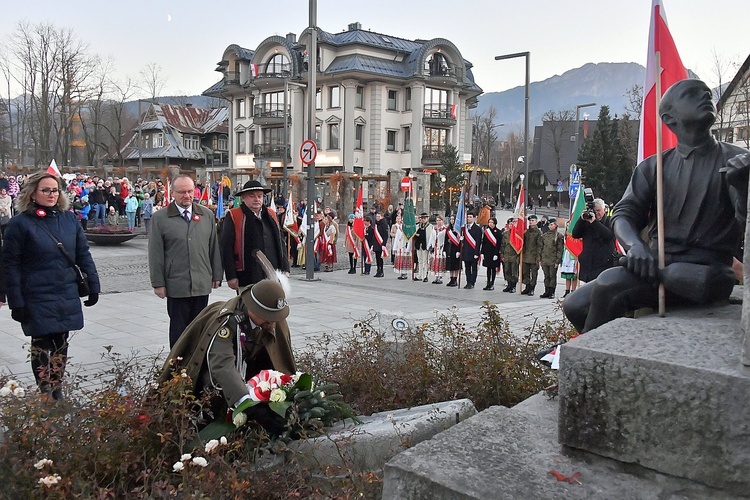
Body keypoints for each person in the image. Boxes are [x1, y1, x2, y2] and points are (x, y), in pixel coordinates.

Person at [564, 78, 749, 333]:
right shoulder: (654, 167)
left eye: (707, 93)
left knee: (609, 284)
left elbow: (746, 224)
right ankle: (614, 349)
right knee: (574, 305)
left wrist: (742, 187)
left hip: (707, 269)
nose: (706, 96)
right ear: (669, 118)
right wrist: (636, 246)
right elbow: (625, 214)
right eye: (692, 94)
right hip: (655, 263)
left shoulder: (736, 161)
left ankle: (586, 358)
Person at [4, 171, 100, 400]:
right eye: (45, 190)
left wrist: (93, 284)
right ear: (32, 194)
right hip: (35, 294)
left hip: (64, 291)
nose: (51, 194)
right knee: (41, 343)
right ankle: (45, 391)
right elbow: (10, 264)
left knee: (61, 343)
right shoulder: (20, 224)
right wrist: (15, 301)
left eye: (55, 190)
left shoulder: (68, 219)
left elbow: (82, 254)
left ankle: (57, 388)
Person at [157, 278, 295, 432]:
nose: (272, 322)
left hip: (248, 367)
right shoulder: (227, 322)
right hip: (210, 381)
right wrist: (247, 405)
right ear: (252, 309)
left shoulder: (271, 319)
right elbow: (222, 365)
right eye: (267, 316)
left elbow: (279, 353)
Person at [149, 175, 223, 347]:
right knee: (179, 332)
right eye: (182, 192)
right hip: (177, 285)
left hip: (201, 283)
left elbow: (214, 247)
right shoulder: (160, 218)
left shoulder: (206, 215)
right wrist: (158, 283)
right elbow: (155, 253)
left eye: (190, 191)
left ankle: (197, 368)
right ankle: (177, 369)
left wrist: (216, 274)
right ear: (173, 192)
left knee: (201, 329)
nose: (187, 195)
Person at [220, 180, 289, 289]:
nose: (257, 199)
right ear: (243, 197)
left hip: (273, 272)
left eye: (259, 196)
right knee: (248, 305)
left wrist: (285, 268)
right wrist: (231, 276)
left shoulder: (271, 214)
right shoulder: (234, 215)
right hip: (247, 274)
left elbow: (281, 242)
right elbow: (226, 247)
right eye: (252, 196)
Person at [571, 197, 615, 282]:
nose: (597, 213)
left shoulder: (610, 221)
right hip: (588, 264)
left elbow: (609, 235)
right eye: (595, 211)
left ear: (604, 209)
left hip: (604, 263)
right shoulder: (586, 222)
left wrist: (594, 222)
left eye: (598, 210)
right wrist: (581, 219)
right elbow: (575, 234)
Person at [539, 217, 565, 299]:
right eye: (549, 225)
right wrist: (540, 258)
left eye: (551, 224)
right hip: (545, 259)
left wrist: (557, 261)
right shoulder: (545, 235)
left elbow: (559, 249)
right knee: (546, 276)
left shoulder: (558, 236)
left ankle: (552, 292)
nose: (550, 226)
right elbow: (541, 247)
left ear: (555, 225)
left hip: (553, 259)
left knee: (552, 276)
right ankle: (546, 291)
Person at [520, 215, 543, 295]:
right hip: (526, 255)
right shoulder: (526, 232)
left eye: (533, 220)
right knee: (525, 272)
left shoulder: (538, 232)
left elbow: (540, 246)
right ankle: (527, 286)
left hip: (534, 256)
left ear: (536, 222)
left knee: (534, 274)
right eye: (530, 220)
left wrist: (538, 257)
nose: (531, 222)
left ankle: (532, 288)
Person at [480, 217, 502, 291]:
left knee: (493, 269)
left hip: (494, 253)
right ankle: (488, 283)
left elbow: (498, 244)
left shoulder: (498, 232)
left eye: (492, 222)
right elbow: (484, 242)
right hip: (487, 253)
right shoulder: (487, 231)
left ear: (495, 223)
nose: (490, 224)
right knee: (488, 268)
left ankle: (492, 283)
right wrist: (482, 252)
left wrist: (496, 254)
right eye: (489, 222)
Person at [461, 212, 482, 289]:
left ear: (474, 218)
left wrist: (477, 252)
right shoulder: (464, 228)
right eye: (468, 217)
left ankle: (472, 283)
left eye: (470, 217)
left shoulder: (477, 229)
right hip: (466, 251)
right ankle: (468, 282)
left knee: (474, 268)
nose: (468, 218)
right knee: (467, 268)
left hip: (473, 252)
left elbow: (478, 242)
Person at [501, 217, 520, 292]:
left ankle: (513, 286)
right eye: (510, 224)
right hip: (506, 255)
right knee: (507, 271)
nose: (511, 225)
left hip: (514, 256)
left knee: (514, 272)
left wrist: (518, 257)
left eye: (513, 223)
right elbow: (502, 245)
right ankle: (509, 285)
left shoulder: (517, 235)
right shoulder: (505, 234)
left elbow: (519, 246)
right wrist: (502, 255)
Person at [413, 213, 434, 282]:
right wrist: (416, 235)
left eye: (424, 218)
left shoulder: (430, 226)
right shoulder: (418, 226)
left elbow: (430, 236)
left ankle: (425, 275)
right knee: (420, 260)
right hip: (419, 245)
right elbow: (414, 235)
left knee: (425, 261)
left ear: (427, 219)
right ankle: (420, 275)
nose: (423, 220)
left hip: (425, 245)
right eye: (422, 218)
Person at [427, 214, 447, 284]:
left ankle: (440, 277)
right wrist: (430, 246)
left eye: (440, 220)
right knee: (435, 262)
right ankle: (436, 276)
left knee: (440, 262)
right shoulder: (434, 229)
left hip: (441, 247)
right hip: (435, 247)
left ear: (443, 221)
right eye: (437, 220)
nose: (438, 222)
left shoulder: (445, 229)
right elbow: (431, 238)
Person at [391, 214, 411, 280]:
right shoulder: (399, 228)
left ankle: (405, 273)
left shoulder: (408, 228)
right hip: (399, 246)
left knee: (405, 260)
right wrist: (394, 248)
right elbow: (396, 238)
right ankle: (401, 273)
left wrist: (408, 248)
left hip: (405, 246)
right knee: (400, 260)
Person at [444, 215, 462, 287]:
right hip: (449, 249)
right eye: (451, 219)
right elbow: (445, 240)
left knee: (455, 265)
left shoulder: (458, 229)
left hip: (455, 249)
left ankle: (455, 279)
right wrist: (444, 250)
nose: (452, 220)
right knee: (450, 265)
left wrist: (459, 250)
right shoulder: (448, 229)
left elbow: (460, 240)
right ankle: (451, 278)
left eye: (453, 219)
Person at [372, 211, 389, 277]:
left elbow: (385, 235)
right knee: (377, 258)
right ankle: (378, 270)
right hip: (376, 243)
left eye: (379, 216)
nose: (377, 218)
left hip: (381, 243)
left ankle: (381, 271)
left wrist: (384, 244)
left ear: (382, 217)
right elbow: (374, 234)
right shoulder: (376, 224)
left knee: (380, 258)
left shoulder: (384, 224)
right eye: (376, 217)